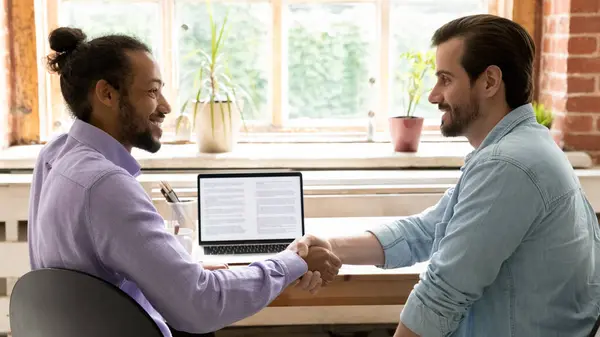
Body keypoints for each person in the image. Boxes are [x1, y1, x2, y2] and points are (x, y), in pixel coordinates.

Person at [27, 27, 342, 337]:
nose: (165, 106)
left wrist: (179, 275)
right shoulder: (106, 185)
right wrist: (293, 261)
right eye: (152, 91)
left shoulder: (55, 155)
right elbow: (203, 305)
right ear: (107, 94)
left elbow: (92, 278)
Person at [300, 14, 600, 337]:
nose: (433, 95)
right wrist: (331, 245)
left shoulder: (509, 164)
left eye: (446, 79)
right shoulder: (523, 146)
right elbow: (427, 230)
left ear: (489, 82)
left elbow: (441, 295)